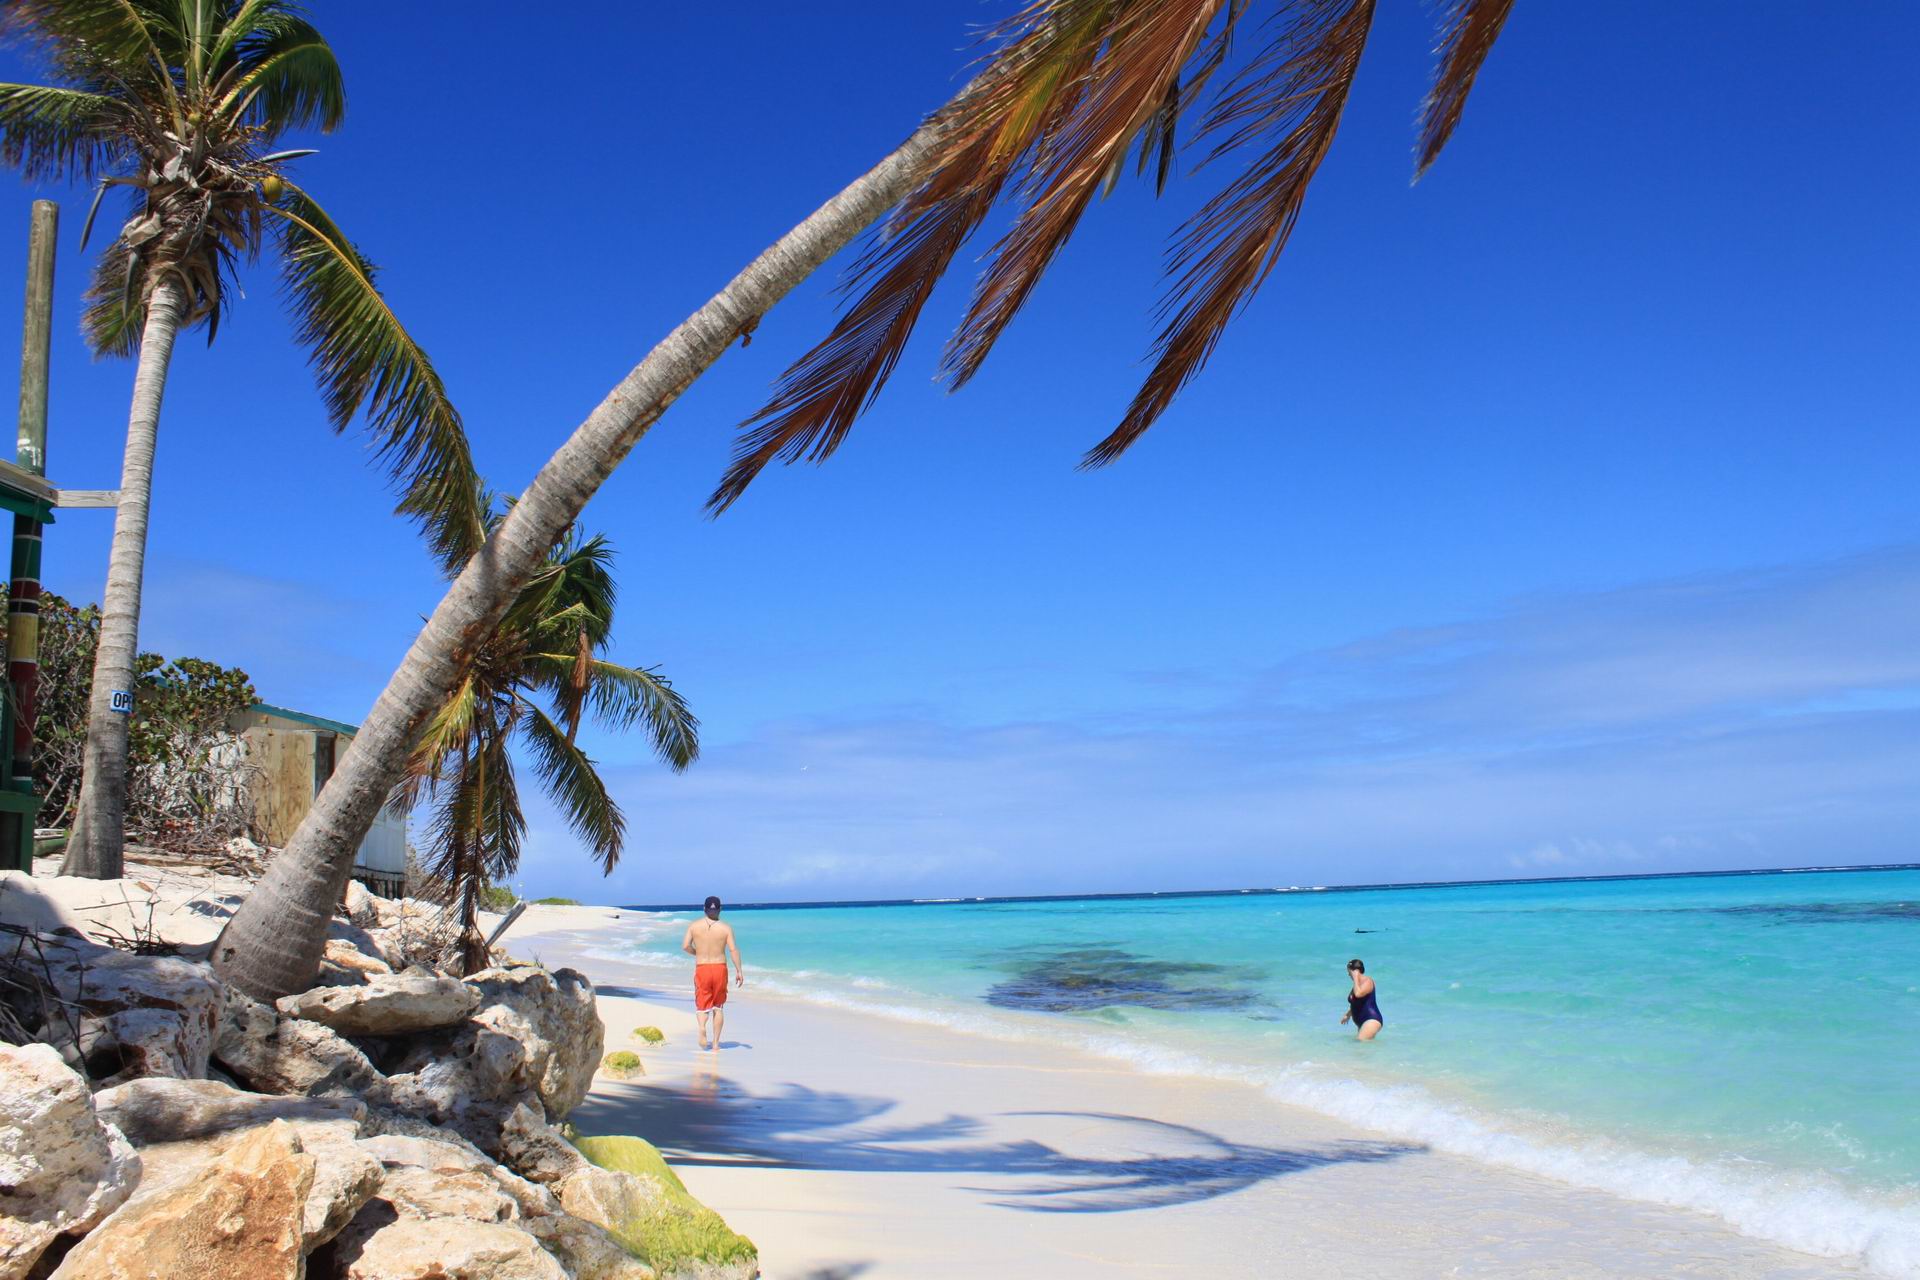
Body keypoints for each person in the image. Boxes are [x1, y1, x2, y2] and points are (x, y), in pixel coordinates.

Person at [681, 896, 744, 1050]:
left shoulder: (694, 926)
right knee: (718, 1007)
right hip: (719, 968)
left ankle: (702, 1027)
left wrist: (698, 953)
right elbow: (733, 950)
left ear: (704, 909)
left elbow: (685, 946)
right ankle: (715, 1044)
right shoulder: (726, 928)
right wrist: (739, 971)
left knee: (702, 1005)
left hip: (702, 968)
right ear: (720, 909)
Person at [1340, 957, 1383, 1040]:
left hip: (1371, 1019)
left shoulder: (1368, 981)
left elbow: (1358, 994)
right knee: (1362, 1049)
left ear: (1355, 971)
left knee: (1360, 1043)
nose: (1349, 975)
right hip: (1362, 1022)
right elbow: (1356, 1002)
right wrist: (1347, 1015)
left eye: (1349, 972)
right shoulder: (1357, 985)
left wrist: (1356, 978)